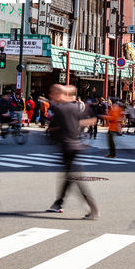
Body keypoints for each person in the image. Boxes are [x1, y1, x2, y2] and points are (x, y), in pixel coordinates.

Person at [45, 84, 99, 219]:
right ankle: (58, 203)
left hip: (66, 146)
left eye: (53, 93)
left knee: (75, 178)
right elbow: (92, 120)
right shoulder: (75, 107)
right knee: (69, 177)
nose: (51, 96)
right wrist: (76, 125)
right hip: (76, 145)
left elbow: (51, 129)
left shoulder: (60, 109)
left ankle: (93, 209)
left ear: (59, 94)